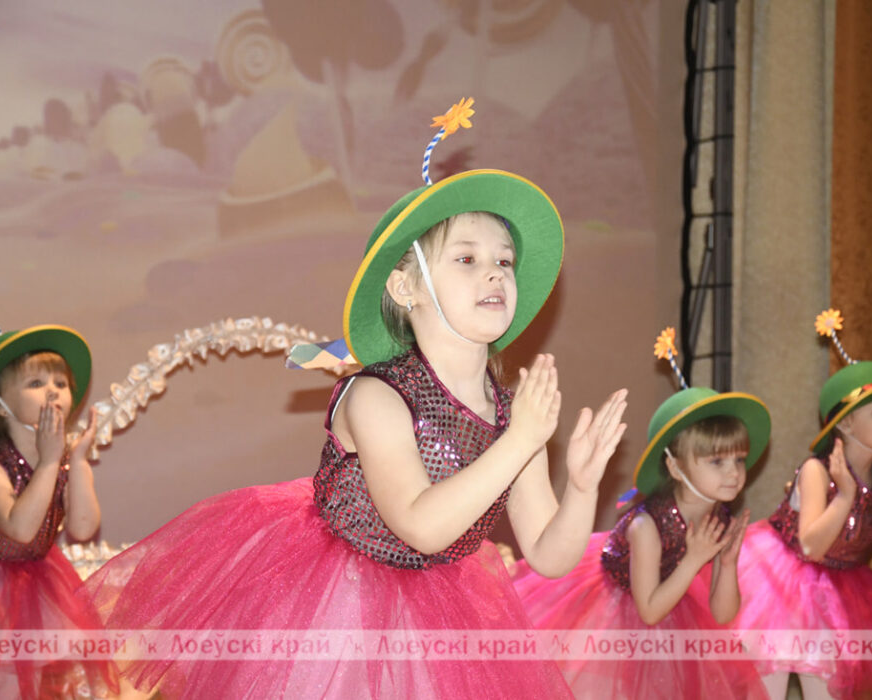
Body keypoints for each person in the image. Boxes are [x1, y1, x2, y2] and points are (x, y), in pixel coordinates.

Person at [82, 99, 628, 698]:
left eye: (505, 261)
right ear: (405, 286)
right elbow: (421, 525)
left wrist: (581, 486)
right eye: (467, 259)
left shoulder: (510, 414)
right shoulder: (376, 394)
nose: (496, 273)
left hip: (439, 619)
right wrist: (519, 440)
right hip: (336, 613)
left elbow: (548, 554)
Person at [514, 327, 769, 698]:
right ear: (676, 468)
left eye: (739, 460)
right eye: (717, 461)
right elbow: (649, 611)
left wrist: (726, 564)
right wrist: (694, 558)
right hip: (616, 615)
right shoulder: (646, 525)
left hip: (673, 606)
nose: (734, 473)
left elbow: (722, 615)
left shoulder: (720, 519)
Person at [735, 309, 872, 699]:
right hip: (779, 589)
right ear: (845, 423)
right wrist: (845, 496)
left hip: (837, 594)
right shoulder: (817, 472)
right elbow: (811, 546)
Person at [0, 316, 118, 699]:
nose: (53, 392)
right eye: (36, 383)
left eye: (60, 383)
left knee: (13, 681)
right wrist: (48, 463)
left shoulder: (61, 463)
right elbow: (19, 528)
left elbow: (82, 528)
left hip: (28, 580)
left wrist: (75, 462)